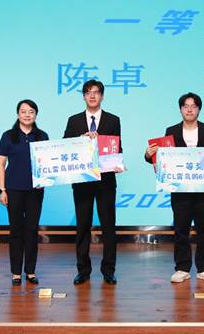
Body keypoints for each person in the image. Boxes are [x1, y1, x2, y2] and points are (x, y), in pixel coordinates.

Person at [145, 92, 204, 284]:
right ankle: (182, 268)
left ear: (199, 109)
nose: (189, 109)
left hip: (203, 189)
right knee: (181, 229)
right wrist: (149, 155)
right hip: (180, 190)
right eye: (185, 106)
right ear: (180, 109)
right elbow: (162, 158)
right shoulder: (171, 130)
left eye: (193, 106)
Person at [63, 80, 122, 285]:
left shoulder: (113, 120)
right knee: (82, 227)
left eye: (96, 92)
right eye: (88, 92)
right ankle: (83, 270)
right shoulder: (74, 120)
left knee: (108, 227)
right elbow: (66, 147)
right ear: (83, 96)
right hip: (82, 182)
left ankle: (108, 270)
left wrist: (118, 162)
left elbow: (117, 148)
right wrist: (82, 139)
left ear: (102, 96)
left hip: (106, 182)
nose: (92, 96)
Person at [0, 99, 49, 286]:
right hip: (13, 189)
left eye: (31, 111)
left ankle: (31, 271)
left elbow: (49, 162)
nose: (27, 115)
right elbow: (1, 164)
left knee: (32, 230)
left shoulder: (42, 136)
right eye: (23, 111)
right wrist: (2, 190)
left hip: (36, 190)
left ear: (36, 114)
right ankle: (16, 273)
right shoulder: (8, 136)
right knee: (16, 230)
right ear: (18, 114)